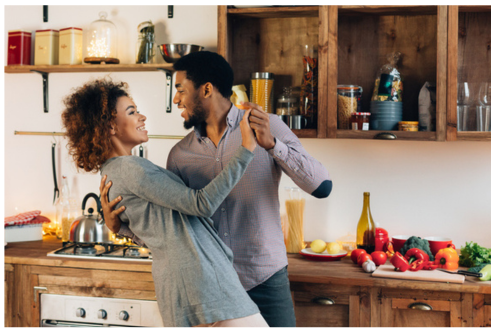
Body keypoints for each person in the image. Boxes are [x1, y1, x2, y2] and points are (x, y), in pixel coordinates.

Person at [101, 51, 332, 327]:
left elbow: (321, 185)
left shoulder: (267, 126)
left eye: (180, 90)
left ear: (207, 89)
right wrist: (120, 227)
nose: (176, 100)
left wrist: (272, 145)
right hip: (212, 291)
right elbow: (174, 234)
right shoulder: (179, 155)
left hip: (266, 280)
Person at [61, 78, 268, 327]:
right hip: (204, 287)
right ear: (110, 127)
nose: (142, 117)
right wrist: (246, 148)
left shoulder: (115, 172)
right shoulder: (130, 170)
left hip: (187, 289)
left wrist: (118, 228)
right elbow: (201, 203)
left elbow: (158, 231)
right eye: (132, 111)